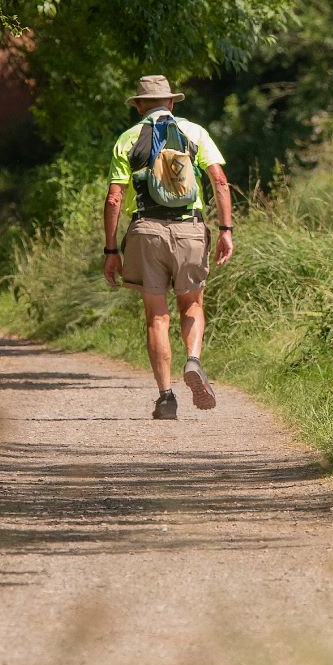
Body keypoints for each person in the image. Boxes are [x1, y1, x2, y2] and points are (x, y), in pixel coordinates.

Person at [102, 75, 234, 420]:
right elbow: (219, 180)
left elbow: (115, 198)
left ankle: (165, 398)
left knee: (156, 315)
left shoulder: (127, 139)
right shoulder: (196, 133)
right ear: (172, 103)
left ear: (140, 105)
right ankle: (193, 360)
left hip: (146, 230)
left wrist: (111, 250)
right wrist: (225, 230)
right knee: (191, 303)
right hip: (190, 228)